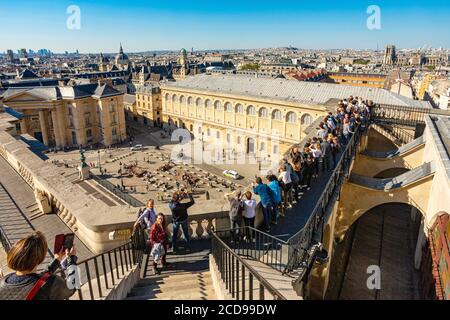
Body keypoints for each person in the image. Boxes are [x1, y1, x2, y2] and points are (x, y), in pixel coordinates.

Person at [0, 231, 77, 300]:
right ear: (40, 257)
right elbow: (71, 287)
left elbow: (41, 278)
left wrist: (56, 260)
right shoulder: (51, 283)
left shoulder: (3, 282)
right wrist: (71, 260)